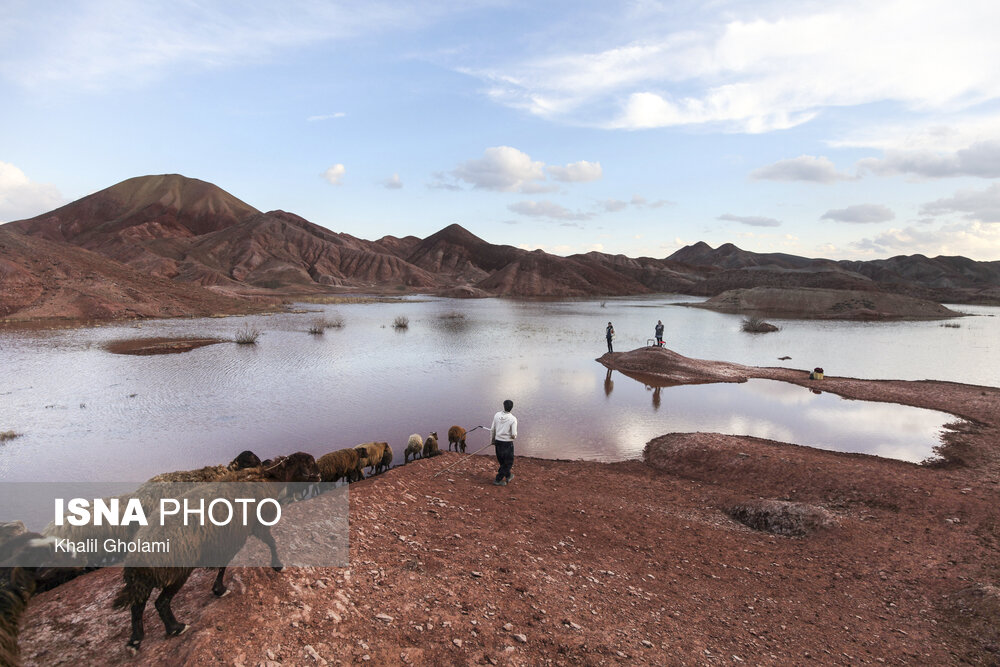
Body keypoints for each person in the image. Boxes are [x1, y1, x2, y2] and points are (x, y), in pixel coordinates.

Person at [490, 399, 517, 486]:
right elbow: (513, 435)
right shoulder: (513, 419)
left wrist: (492, 441)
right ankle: (498, 480)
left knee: (502, 461)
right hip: (507, 444)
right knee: (508, 462)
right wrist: (514, 436)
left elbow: (492, 429)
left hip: (498, 442)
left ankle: (508, 475)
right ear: (511, 407)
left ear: (504, 406)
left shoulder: (497, 415)